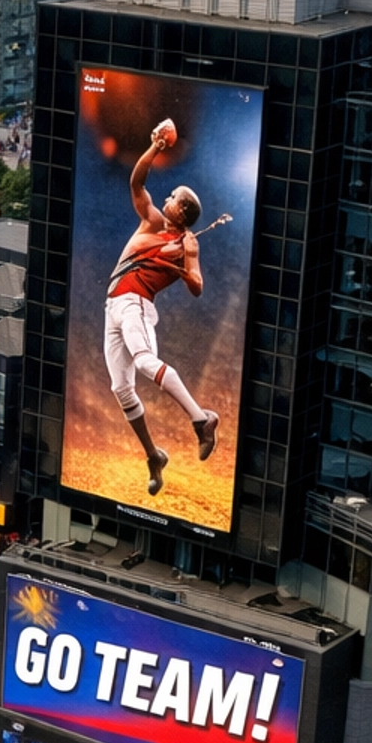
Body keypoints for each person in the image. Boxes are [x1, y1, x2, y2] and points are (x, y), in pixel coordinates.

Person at [101, 116, 219, 497]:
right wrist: (155, 146)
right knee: (121, 388)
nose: (165, 199)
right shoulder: (151, 222)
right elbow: (137, 182)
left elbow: (198, 287)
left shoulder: (189, 244)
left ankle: (202, 420)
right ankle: (154, 456)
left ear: (182, 212)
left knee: (146, 362)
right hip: (113, 307)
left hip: (136, 303)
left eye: (173, 198)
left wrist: (182, 267)